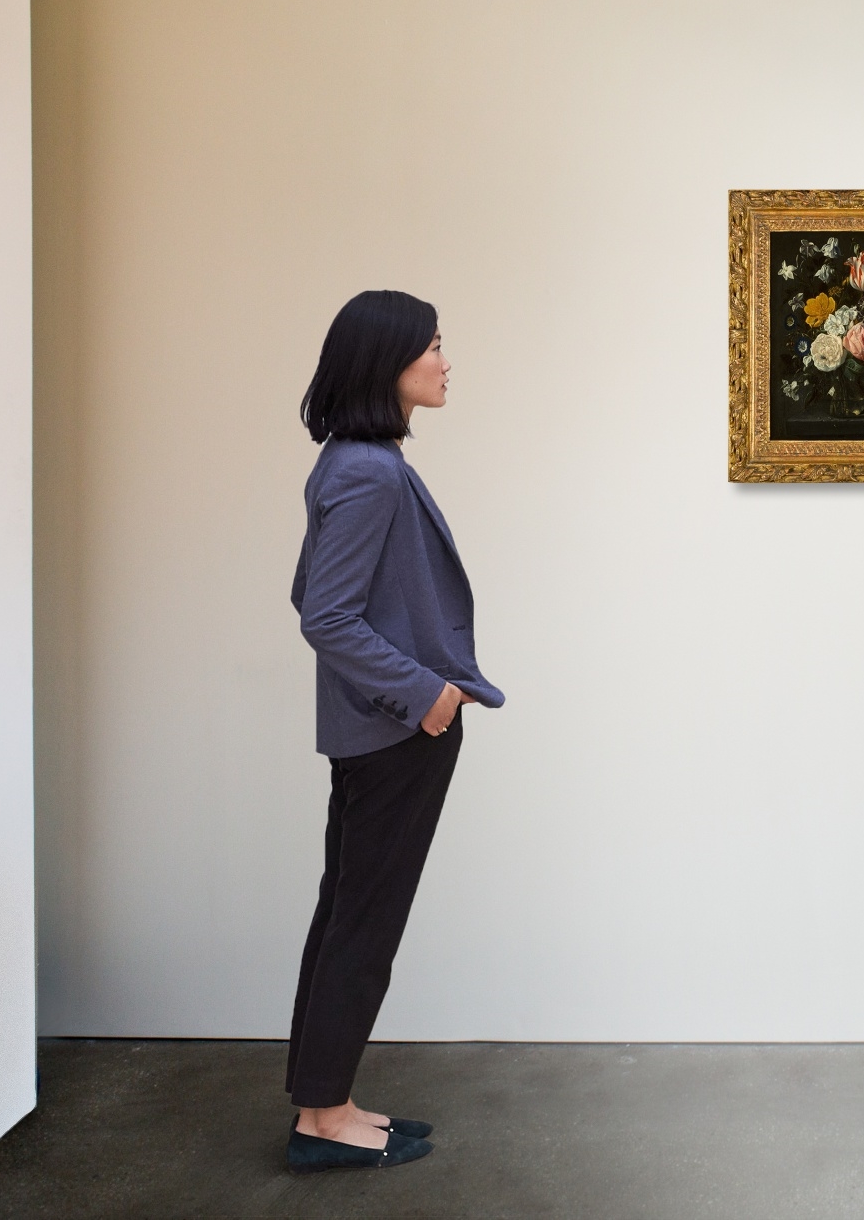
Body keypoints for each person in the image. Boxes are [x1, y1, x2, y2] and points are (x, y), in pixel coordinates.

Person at [283, 290, 504, 1173]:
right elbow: (327, 615)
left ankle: (323, 1105)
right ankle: (324, 1119)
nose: (447, 361)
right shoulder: (369, 471)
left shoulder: (352, 460)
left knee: (347, 915)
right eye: (435, 346)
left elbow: (310, 596)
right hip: (394, 734)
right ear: (390, 363)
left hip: (375, 731)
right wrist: (426, 696)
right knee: (363, 924)